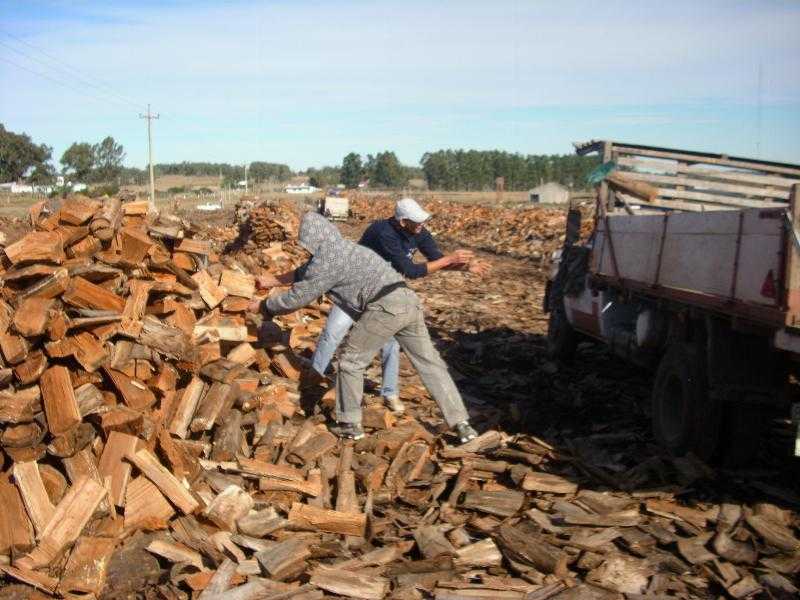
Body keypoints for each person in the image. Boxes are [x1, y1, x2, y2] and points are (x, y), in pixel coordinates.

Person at [250, 212, 478, 444]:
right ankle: (462, 424)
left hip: (384, 308)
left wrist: (264, 306)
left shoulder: (326, 259)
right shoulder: (345, 249)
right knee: (430, 363)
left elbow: (297, 298)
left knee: (350, 361)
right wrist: (272, 281)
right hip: (408, 301)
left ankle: (350, 424)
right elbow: (305, 273)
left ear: (311, 241)